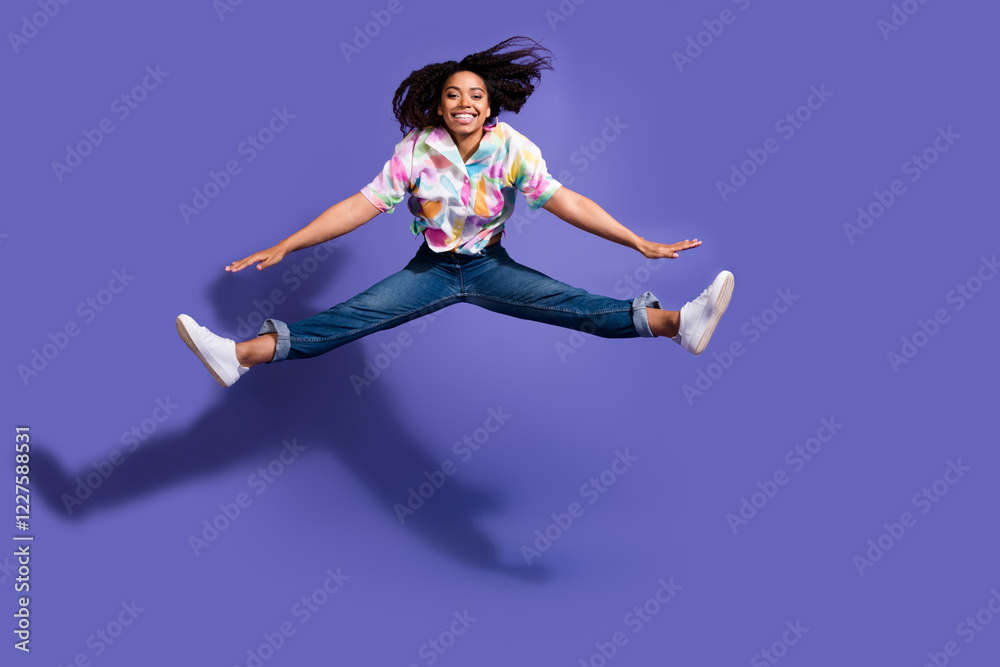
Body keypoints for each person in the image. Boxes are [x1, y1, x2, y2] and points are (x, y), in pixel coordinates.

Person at [176, 36, 734, 388]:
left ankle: (678, 324)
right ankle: (240, 355)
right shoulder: (417, 150)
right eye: (452, 94)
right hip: (433, 269)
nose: (463, 102)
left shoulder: (513, 147)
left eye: (474, 95)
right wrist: (288, 244)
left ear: (489, 104)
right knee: (352, 316)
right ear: (437, 103)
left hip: (489, 265)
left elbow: (570, 201)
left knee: (575, 307)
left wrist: (637, 242)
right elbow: (360, 205)